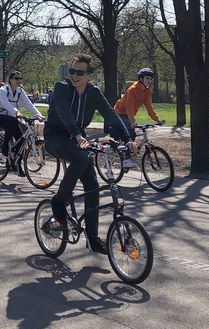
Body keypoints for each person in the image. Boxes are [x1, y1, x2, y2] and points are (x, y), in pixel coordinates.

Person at [42, 54, 137, 255]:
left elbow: (111, 114)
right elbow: (64, 113)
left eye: (80, 72)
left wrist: (128, 139)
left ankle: (93, 239)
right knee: (81, 158)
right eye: (72, 71)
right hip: (56, 137)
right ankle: (59, 201)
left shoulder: (94, 93)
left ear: (89, 76)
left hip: (78, 139)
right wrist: (77, 135)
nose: (74, 76)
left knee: (93, 186)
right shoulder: (62, 88)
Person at [0, 70, 43, 175]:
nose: (19, 80)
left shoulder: (20, 91)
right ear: (10, 80)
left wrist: (38, 115)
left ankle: (17, 165)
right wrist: (16, 112)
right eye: (16, 78)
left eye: (20, 78)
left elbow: (28, 104)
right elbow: (5, 104)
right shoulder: (4, 89)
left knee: (21, 138)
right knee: (12, 122)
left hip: (12, 118)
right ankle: (4, 150)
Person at [111, 67, 165, 141]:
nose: (149, 81)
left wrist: (157, 120)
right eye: (147, 78)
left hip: (128, 115)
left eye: (150, 79)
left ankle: (127, 150)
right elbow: (129, 106)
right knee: (130, 135)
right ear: (141, 79)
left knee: (131, 136)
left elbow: (149, 107)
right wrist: (132, 122)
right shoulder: (132, 90)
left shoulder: (147, 92)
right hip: (119, 113)